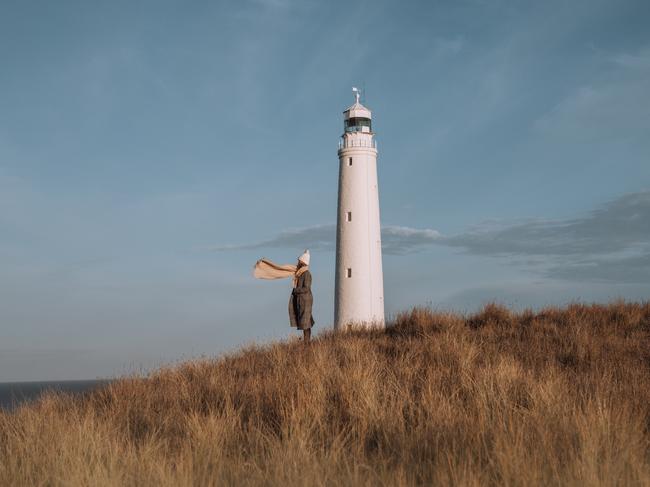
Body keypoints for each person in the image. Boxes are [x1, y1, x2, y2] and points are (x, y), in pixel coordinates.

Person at [289, 250, 315, 343]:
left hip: (305, 300)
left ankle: (307, 342)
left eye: (299, 261)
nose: (298, 262)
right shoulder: (300, 273)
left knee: (305, 323)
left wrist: (296, 290)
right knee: (305, 322)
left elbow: (306, 288)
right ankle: (306, 342)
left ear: (303, 262)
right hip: (302, 300)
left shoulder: (306, 274)